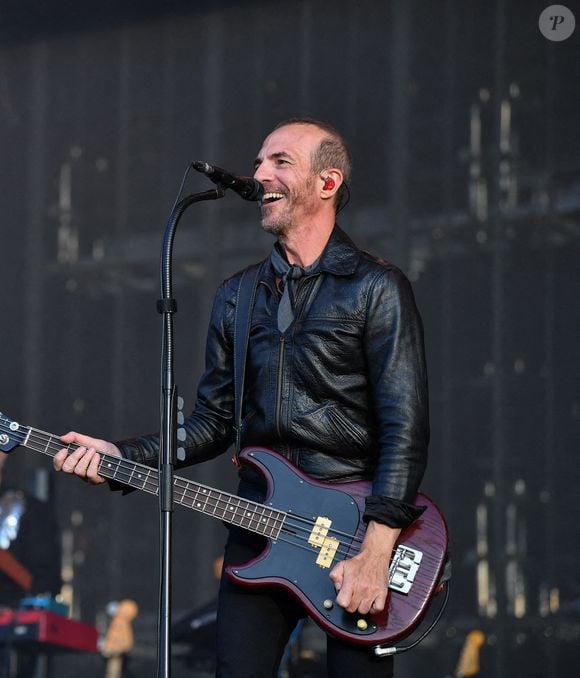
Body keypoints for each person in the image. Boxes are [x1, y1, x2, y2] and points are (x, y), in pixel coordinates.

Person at [54, 118, 429, 677]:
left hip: (355, 534)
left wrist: (377, 552)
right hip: (259, 527)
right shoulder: (238, 295)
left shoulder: (376, 287)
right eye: (258, 162)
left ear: (327, 183)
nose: (258, 174)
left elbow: (405, 424)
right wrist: (122, 457)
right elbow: (212, 423)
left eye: (280, 161)